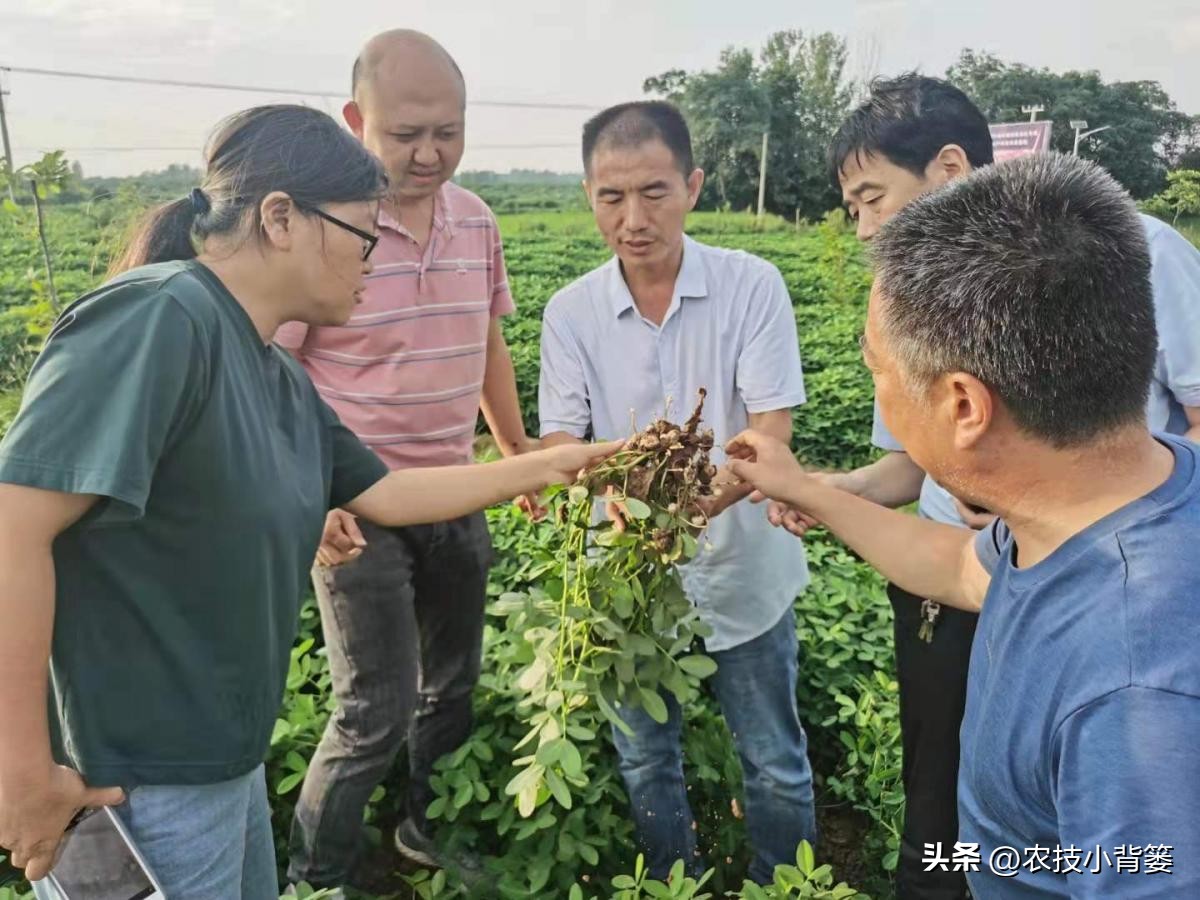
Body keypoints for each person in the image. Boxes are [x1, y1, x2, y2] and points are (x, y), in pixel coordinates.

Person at [0, 104, 614, 900]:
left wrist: (553, 465)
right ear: (281, 218)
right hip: (136, 779)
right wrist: (21, 768)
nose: (372, 262)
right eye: (363, 236)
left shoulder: (275, 371)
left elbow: (388, 491)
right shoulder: (160, 318)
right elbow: (15, 526)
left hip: (225, 761)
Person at [727, 152, 1200, 899]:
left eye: (877, 368)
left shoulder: (1133, 698)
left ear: (963, 407)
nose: (880, 388)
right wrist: (803, 489)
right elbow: (959, 568)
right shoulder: (1116, 494)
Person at [276, 31, 536, 888]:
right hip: (360, 506)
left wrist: (514, 451)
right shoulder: (329, 229)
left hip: (455, 490)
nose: (430, 154)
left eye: (448, 133)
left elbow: (487, 341)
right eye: (406, 134)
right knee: (373, 707)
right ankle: (318, 873)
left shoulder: (477, 219)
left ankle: (428, 829)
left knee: (454, 682)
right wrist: (312, 490)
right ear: (357, 123)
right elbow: (277, 372)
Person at [538, 100, 817, 884]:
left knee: (773, 759)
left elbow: (769, 429)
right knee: (644, 758)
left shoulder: (751, 286)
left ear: (692, 186)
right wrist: (617, 495)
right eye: (611, 197)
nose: (633, 219)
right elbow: (560, 441)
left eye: (654, 192)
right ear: (589, 196)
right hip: (626, 582)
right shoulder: (570, 313)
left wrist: (697, 504)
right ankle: (670, 884)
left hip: (742, 565)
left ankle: (780, 886)